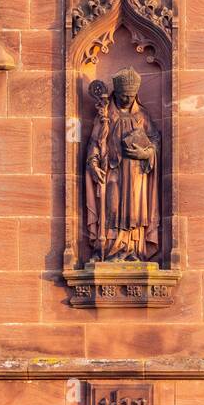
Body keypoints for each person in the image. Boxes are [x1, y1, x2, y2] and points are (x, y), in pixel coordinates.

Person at [85, 66, 160, 262]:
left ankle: (132, 250)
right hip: (113, 170)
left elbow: (155, 141)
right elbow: (95, 143)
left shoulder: (142, 116)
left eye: (131, 95)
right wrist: (93, 164)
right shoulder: (105, 116)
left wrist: (146, 152)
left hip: (137, 173)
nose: (127, 99)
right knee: (113, 206)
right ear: (116, 93)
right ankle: (109, 250)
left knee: (134, 210)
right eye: (123, 95)